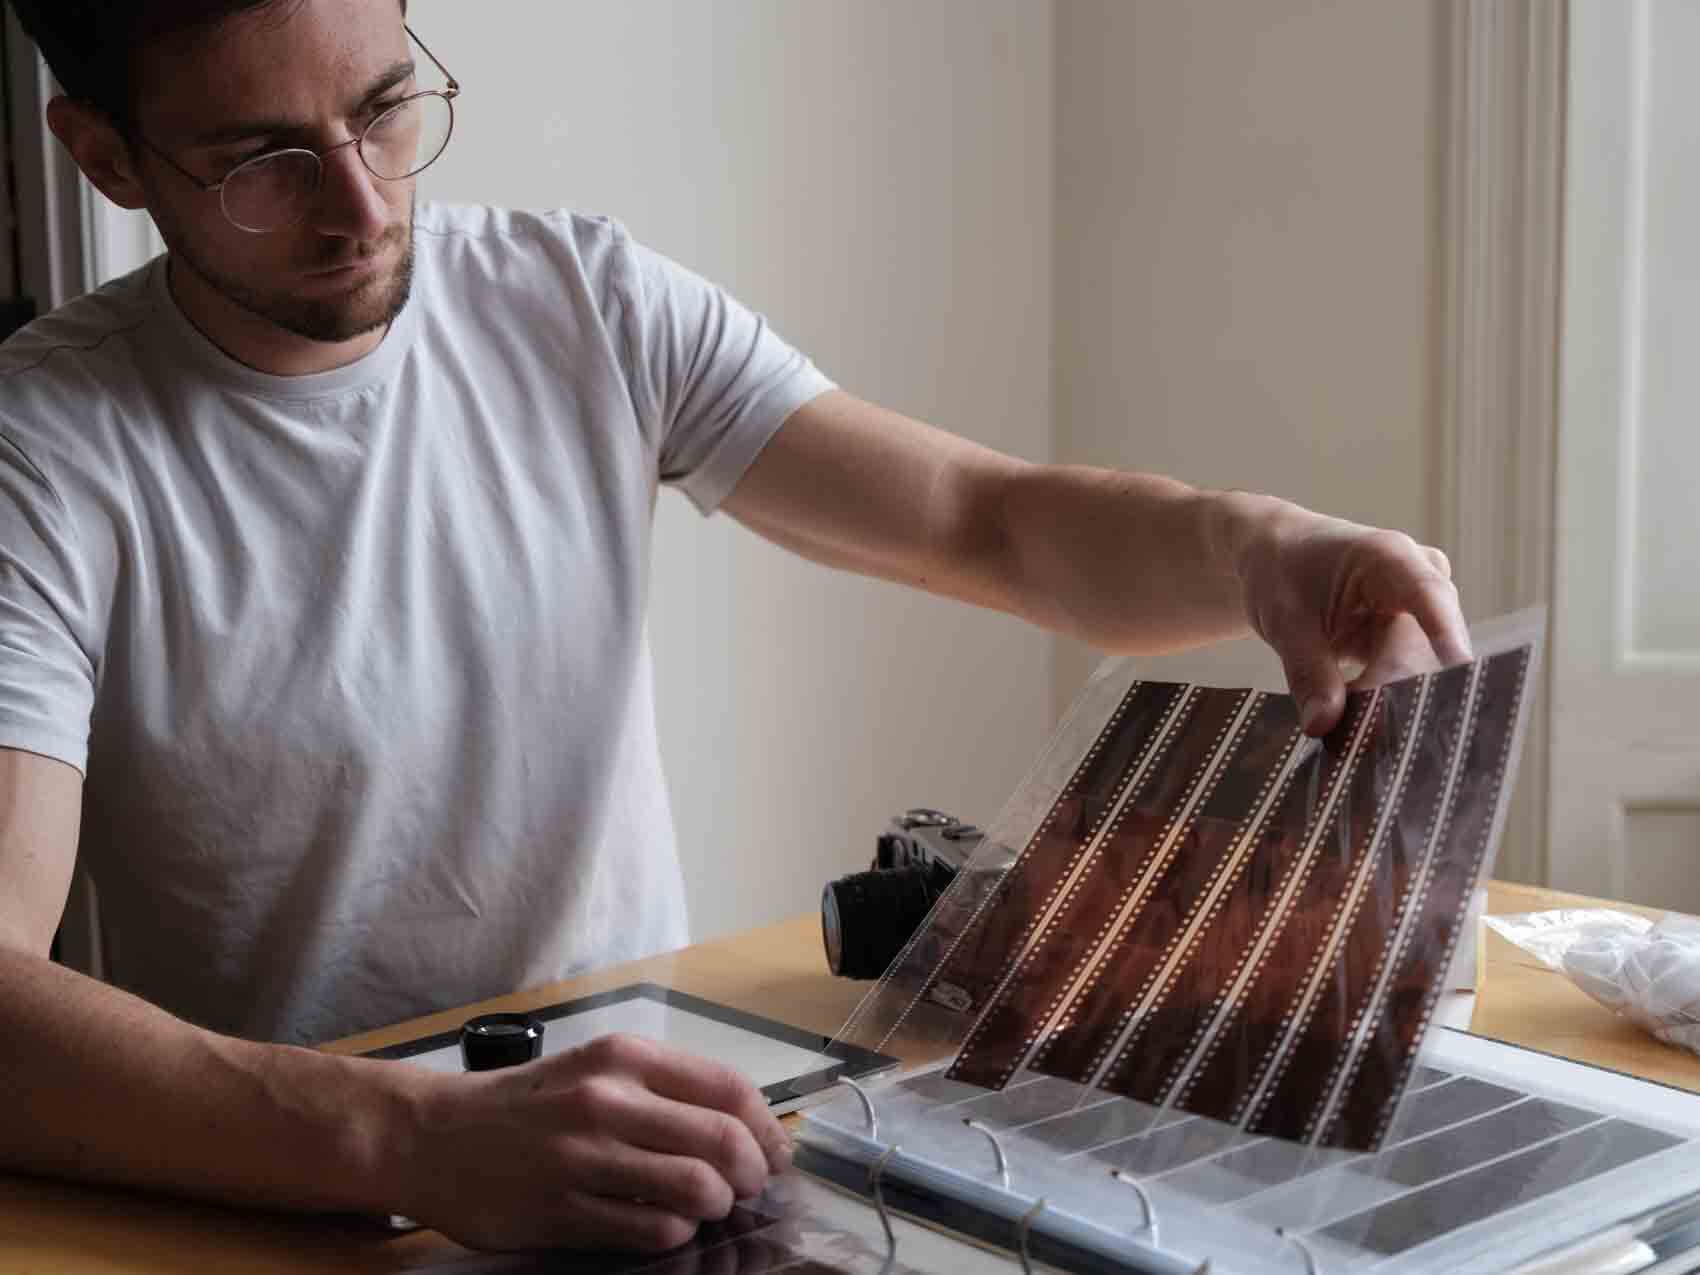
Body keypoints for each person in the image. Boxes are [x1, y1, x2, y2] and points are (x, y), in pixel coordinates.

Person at [0, 0, 1471, 1255]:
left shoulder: (579, 299)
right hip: (288, 1199)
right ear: (106, 157)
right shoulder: (43, 452)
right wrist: (413, 1138)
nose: (364, 204)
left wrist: (1261, 546)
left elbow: (982, 519)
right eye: (261, 161)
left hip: (661, 1147)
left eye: (386, 110)